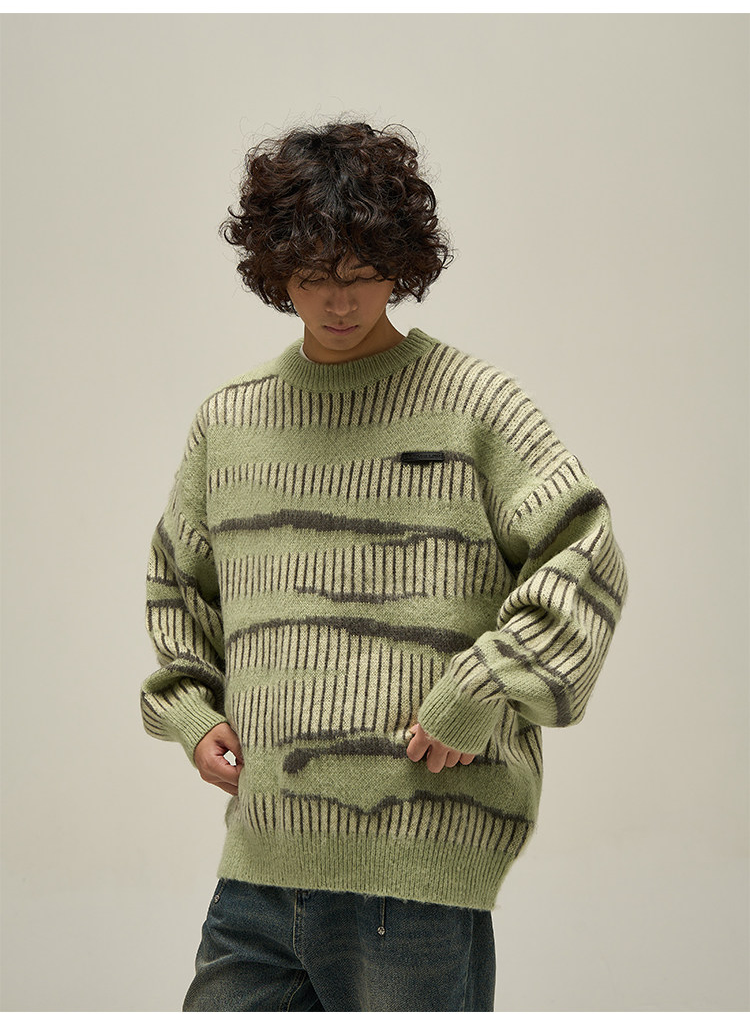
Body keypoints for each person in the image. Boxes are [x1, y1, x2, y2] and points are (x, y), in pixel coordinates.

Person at [141, 119, 628, 1012]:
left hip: (419, 872)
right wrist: (191, 710)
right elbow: (178, 584)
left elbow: (586, 554)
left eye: (362, 274)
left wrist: (482, 687)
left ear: (401, 263)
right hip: (259, 866)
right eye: (313, 278)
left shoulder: (474, 405)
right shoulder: (229, 422)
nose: (339, 301)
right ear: (274, 271)